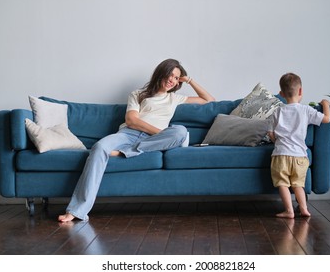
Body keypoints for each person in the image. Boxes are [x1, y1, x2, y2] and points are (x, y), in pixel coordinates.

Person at [58, 58, 215, 222]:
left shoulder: (174, 98)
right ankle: (77, 211)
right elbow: (132, 120)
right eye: (170, 74)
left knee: (180, 131)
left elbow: (209, 100)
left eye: (176, 78)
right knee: (99, 147)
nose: (172, 80)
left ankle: (122, 153)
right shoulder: (138, 94)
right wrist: (160, 134)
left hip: (155, 139)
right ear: (161, 73)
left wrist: (189, 80)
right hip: (129, 134)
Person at [267, 72, 330, 218]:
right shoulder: (306, 110)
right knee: (298, 185)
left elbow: (270, 134)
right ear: (300, 91)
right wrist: (325, 104)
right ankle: (304, 209)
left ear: (281, 93)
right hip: (300, 156)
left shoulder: (277, 111)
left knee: (282, 183)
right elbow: (326, 119)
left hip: (281, 155)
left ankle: (289, 211)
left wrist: (275, 139)